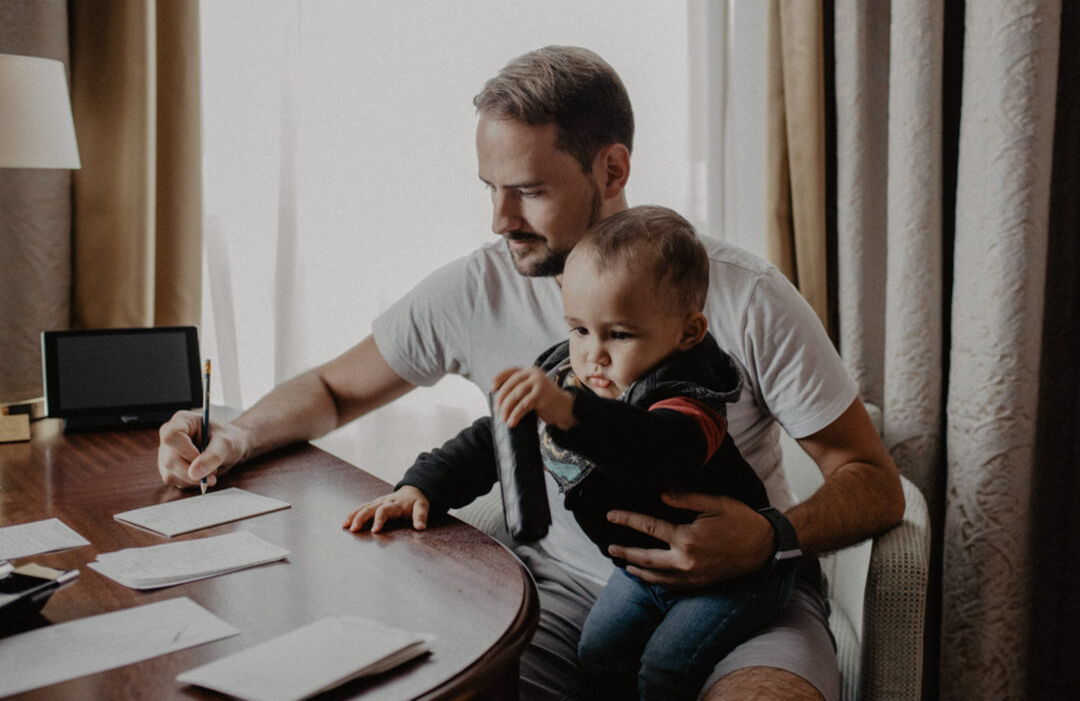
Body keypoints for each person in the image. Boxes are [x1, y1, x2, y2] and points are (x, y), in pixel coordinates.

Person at [158, 46, 905, 701]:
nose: (499, 219)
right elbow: (331, 389)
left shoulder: (741, 294)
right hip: (564, 603)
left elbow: (872, 481)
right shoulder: (479, 286)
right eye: (489, 187)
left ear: (611, 169)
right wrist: (233, 437)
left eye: (530, 191)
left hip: (747, 595)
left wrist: (767, 538)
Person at [344, 206, 799, 700]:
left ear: (687, 332)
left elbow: (654, 449)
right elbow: (493, 438)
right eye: (580, 329)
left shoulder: (691, 397)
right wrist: (422, 486)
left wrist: (568, 411)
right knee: (598, 654)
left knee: (664, 667)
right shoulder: (569, 378)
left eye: (619, 334)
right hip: (641, 572)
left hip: (733, 575)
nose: (594, 354)